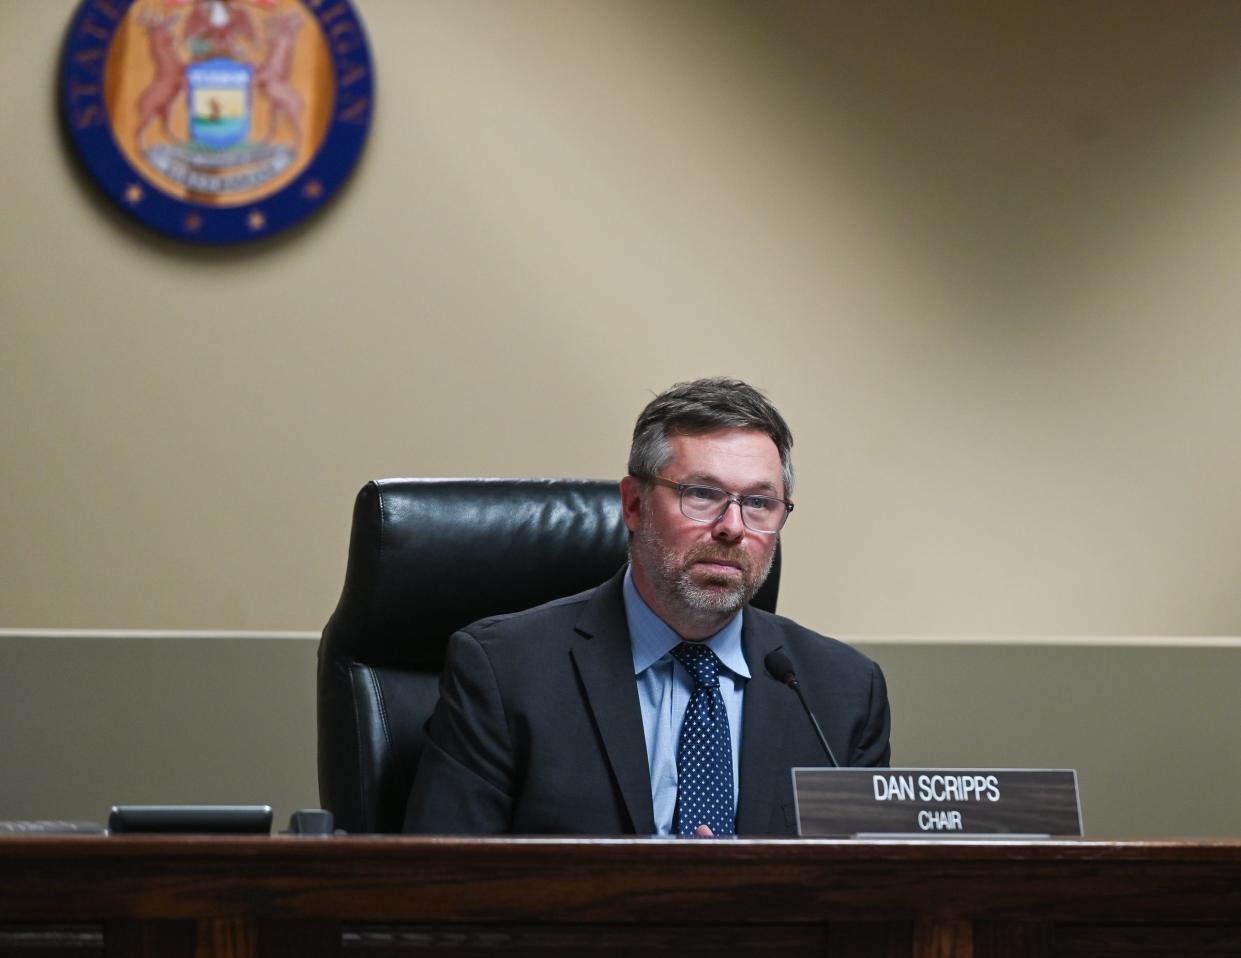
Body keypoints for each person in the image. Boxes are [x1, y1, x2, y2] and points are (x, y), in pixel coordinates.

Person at [404, 377, 890, 836]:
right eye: (702, 494)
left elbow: (866, 899)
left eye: (760, 502)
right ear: (634, 504)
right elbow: (444, 889)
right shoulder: (504, 671)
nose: (732, 527)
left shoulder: (841, 693)